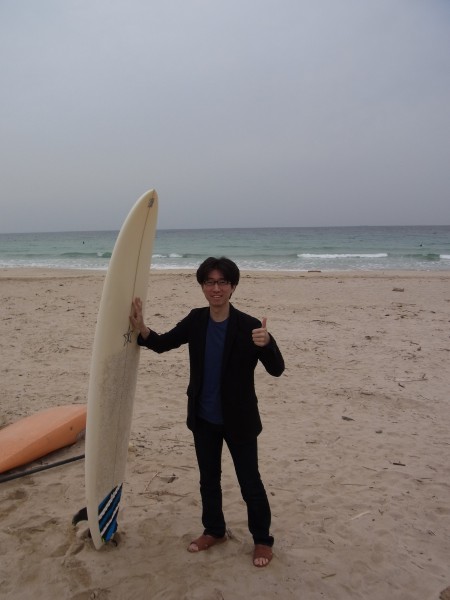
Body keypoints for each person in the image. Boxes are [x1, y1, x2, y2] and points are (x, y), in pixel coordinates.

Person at [130, 256, 285, 567]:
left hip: (240, 420)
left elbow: (277, 369)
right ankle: (214, 530)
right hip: (203, 418)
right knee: (208, 480)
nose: (216, 288)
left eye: (222, 282)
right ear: (202, 286)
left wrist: (268, 343)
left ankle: (262, 540)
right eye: (210, 282)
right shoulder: (196, 319)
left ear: (233, 286)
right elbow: (163, 343)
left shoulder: (249, 326)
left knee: (250, 483)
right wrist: (141, 328)